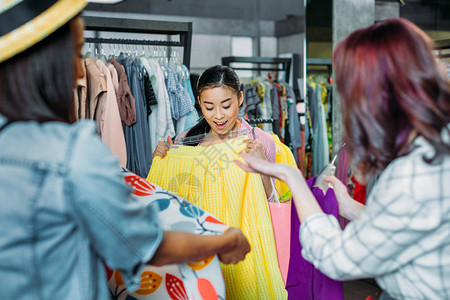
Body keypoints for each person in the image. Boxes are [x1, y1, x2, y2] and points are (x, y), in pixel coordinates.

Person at [0, 1, 250, 299]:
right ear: (46, 62)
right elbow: (145, 244)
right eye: (78, 53)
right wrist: (223, 241)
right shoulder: (71, 153)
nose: (82, 72)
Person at [236, 18, 450, 299]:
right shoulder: (435, 146)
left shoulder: (413, 172)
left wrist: (293, 179)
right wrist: (349, 208)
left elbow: (338, 259)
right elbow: (413, 224)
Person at [152, 64, 278, 201]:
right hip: (201, 221)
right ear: (200, 103)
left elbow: (272, 203)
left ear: (240, 98)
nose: (218, 116)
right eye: (209, 108)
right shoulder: (185, 140)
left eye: (226, 106)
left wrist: (262, 165)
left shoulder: (260, 141)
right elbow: (172, 195)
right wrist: (161, 160)